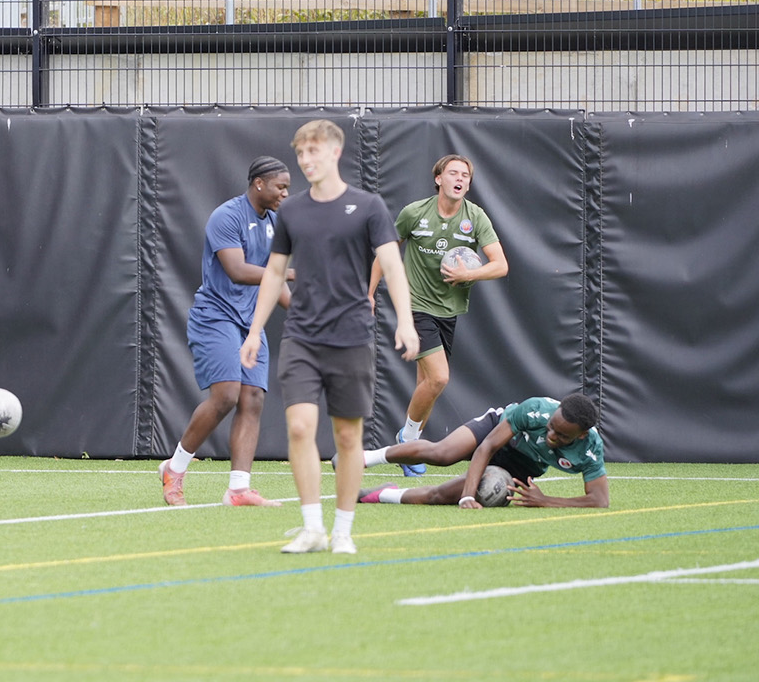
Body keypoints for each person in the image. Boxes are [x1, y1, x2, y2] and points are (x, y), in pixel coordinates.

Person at [240, 120, 416, 556]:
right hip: (302, 336)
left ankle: (342, 531)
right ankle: (312, 528)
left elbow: (393, 267)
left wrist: (406, 321)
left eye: (313, 152)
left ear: (335, 153)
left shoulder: (369, 206)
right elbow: (275, 273)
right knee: (300, 427)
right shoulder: (292, 211)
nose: (305, 161)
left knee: (347, 438)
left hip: (352, 336)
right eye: (301, 154)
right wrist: (255, 329)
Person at [160, 156, 292, 508]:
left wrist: (302, 314)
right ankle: (174, 469)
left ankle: (238, 490)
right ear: (259, 184)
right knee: (227, 396)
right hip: (215, 317)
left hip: (252, 323)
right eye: (281, 187)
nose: (285, 194)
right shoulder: (227, 216)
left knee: (253, 398)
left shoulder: (277, 224)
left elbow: (274, 280)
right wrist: (285, 275)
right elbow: (236, 270)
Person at [369, 154, 508, 476]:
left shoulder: (476, 217)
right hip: (415, 306)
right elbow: (386, 253)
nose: (460, 179)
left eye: (466, 176)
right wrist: (369, 293)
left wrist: (469, 275)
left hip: (449, 311)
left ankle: (411, 447)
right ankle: (409, 440)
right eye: (454, 173)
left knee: (427, 384)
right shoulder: (414, 213)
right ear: (439, 179)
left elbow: (500, 265)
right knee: (440, 378)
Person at [358, 394, 608, 508]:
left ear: (581, 435)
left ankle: (383, 494)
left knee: (440, 496)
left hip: (523, 465)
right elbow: (487, 446)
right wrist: (468, 496)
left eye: (562, 435)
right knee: (442, 454)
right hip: (497, 430)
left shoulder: (590, 449)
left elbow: (600, 500)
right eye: (551, 427)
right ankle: (365, 458)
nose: (551, 435)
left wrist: (546, 501)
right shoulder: (535, 410)